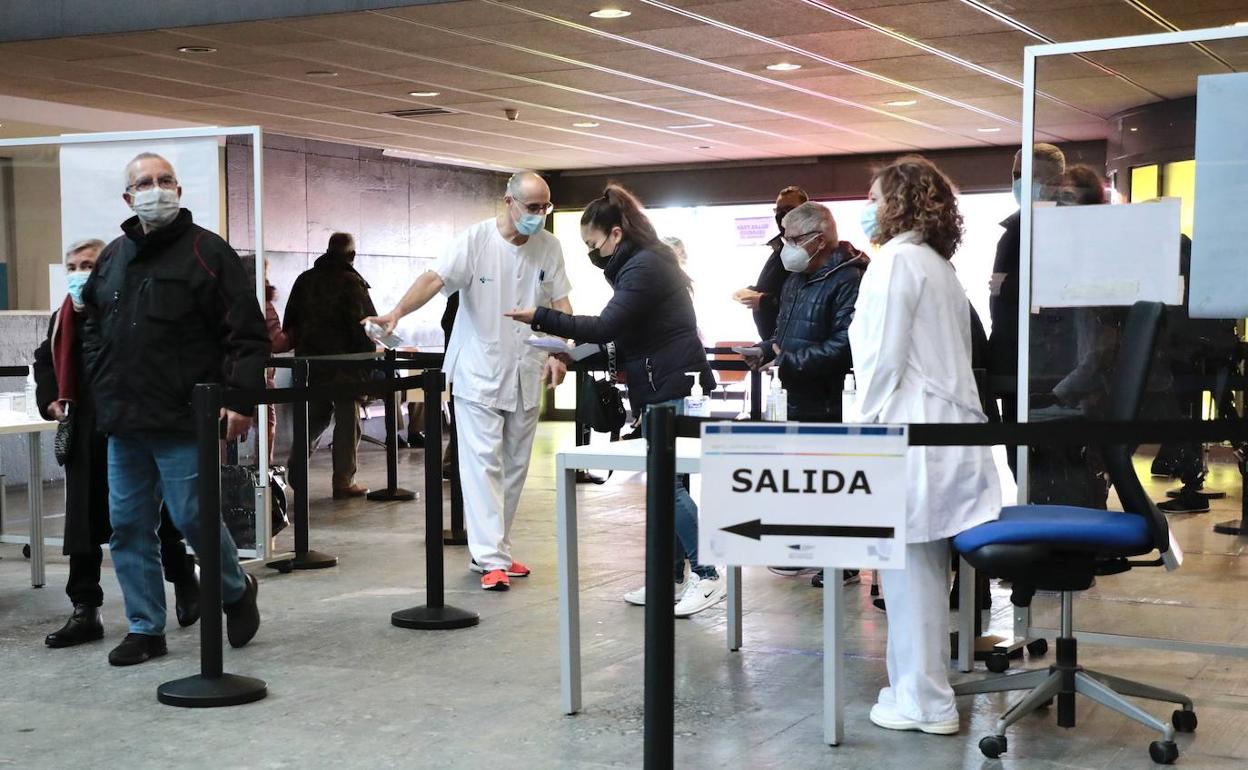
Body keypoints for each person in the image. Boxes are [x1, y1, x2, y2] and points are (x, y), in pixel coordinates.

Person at [506, 184, 725, 618]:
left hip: (671, 385)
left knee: (668, 483)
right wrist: (567, 353)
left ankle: (708, 574)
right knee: (666, 484)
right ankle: (671, 577)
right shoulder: (640, 264)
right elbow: (627, 335)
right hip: (658, 382)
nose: (593, 253)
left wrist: (541, 315)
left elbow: (608, 325)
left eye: (594, 243)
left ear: (616, 234)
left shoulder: (644, 267)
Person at [81, 152, 266, 666]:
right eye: (144, 183)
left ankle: (233, 589)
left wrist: (240, 400)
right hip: (125, 417)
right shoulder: (114, 256)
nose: (155, 189)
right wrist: (98, 381)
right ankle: (145, 627)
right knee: (127, 525)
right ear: (128, 197)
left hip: (186, 414)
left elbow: (246, 334)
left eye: (165, 181)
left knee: (193, 517)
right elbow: (92, 325)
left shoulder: (209, 251)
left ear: (179, 191)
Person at [849, 155, 1001, 734]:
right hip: (950, 433)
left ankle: (926, 700)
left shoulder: (894, 262)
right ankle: (920, 691)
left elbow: (881, 359)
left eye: (873, 197)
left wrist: (860, 428)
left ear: (895, 203)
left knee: (910, 572)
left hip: (913, 430)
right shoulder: (937, 264)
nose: (867, 209)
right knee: (925, 571)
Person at [365, 172, 570, 591]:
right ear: (508, 202)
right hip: (479, 370)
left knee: (515, 466)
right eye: (532, 207)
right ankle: (489, 557)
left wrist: (561, 350)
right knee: (482, 464)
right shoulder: (474, 241)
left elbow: (560, 301)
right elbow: (434, 279)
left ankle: (497, 550)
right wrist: (396, 313)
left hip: (526, 369)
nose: (539, 216)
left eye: (545, 208)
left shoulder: (549, 246)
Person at [34, 239, 199, 648]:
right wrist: (52, 398)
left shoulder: (126, 310)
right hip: (85, 428)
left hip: (130, 426)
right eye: (72, 265)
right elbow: (45, 361)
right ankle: (85, 609)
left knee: (143, 520)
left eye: (87, 264)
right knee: (83, 525)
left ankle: (185, 577)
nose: (77, 273)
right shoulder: (63, 318)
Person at [751, 201, 868, 590]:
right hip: (794, 395)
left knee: (833, 481)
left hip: (832, 396)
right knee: (802, 479)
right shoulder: (796, 279)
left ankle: (843, 561)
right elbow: (784, 336)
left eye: (794, 238)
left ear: (819, 240)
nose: (787, 246)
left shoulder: (848, 279)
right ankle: (808, 548)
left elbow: (845, 345)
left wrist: (789, 362)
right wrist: (767, 351)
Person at [283, 232, 376, 499]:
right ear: (351, 255)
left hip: (310, 364)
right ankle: (343, 480)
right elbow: (366, 327)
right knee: (348, 420)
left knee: (316, 417)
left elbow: (291, 322)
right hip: (345, 366)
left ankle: (297, 467)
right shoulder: (352, 283)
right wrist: (369, 363)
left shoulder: (305, 280)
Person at [988, 143, 1066, 445]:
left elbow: (1065, 288)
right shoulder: (1016, 228)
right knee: (1017, 454)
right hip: (1013, 361)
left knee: (1046, 455)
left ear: (1055, 181)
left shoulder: (1067, 227)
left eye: (1028, 175)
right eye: (1015, 174)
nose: (1018, 182)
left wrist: (1007, 286)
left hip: (1048, 368)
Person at [733, 186, 810, 339]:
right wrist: (752, 291)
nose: (782, 215)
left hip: (794, 341)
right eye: (778, 210)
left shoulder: (809, 246)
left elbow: (807, 296)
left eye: (789, 209)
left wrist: (764, 300)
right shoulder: (781, 247)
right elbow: (777, 283)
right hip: (774, 342)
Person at [264, 279, 293, 465]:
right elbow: (278, 342)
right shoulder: (263, 305)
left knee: (224, 431)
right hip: (260, 371)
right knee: (267, 422)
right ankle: (262, 471)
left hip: (226, 372)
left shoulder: (226, 298)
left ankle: (223, 476)